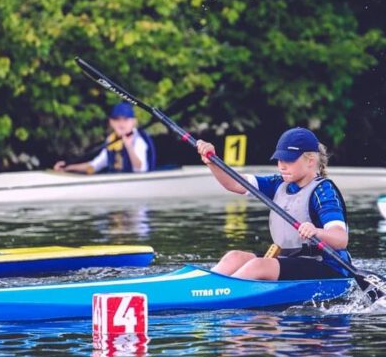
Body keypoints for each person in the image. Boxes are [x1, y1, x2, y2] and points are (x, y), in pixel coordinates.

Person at [195, 127, 352, 281]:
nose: (281, 166)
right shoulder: (279, 183)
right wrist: (212, 162)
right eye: (280, 159)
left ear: (310, 161)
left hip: (327, 266)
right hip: (292, 259)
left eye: (289, 160)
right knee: (234, 257)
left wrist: (316, 232)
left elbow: (340, 239)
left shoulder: (324, 192)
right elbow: (235, 183)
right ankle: (201, 287)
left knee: (258, 266)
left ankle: (223, 292)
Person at [54, 102, 156, 174]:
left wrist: (129, 147)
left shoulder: (138, 140)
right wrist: (68, 168)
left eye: (125, 119)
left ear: (133, 122)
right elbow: (94, 166)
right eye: (117, 119)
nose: (121, 123)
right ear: (111, 122)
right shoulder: (111, 140)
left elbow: (140, 169)